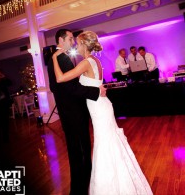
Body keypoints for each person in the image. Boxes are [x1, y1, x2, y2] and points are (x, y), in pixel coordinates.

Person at [53, 31, 153, 195]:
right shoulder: (95, 61)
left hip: (99, 109)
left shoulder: (86, 62)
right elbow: (91, 85)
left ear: (84, 45)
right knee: (109, 143)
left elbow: (60, 79)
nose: (76, 46)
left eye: (78, 43)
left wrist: (55, 57)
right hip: (102, 106)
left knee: (105, 144)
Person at [47, 29, 106, 195]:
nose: (73, 42)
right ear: (61, 39)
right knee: (81, 150)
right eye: (71, 39)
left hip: (68, 112)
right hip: (74, 112)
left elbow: (55, 87)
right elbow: (71, 87)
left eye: (75, 40)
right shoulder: (62, 58)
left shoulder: (57, 58)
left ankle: (80, 186)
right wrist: (95, 92)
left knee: (76, 149)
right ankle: (82, 186)